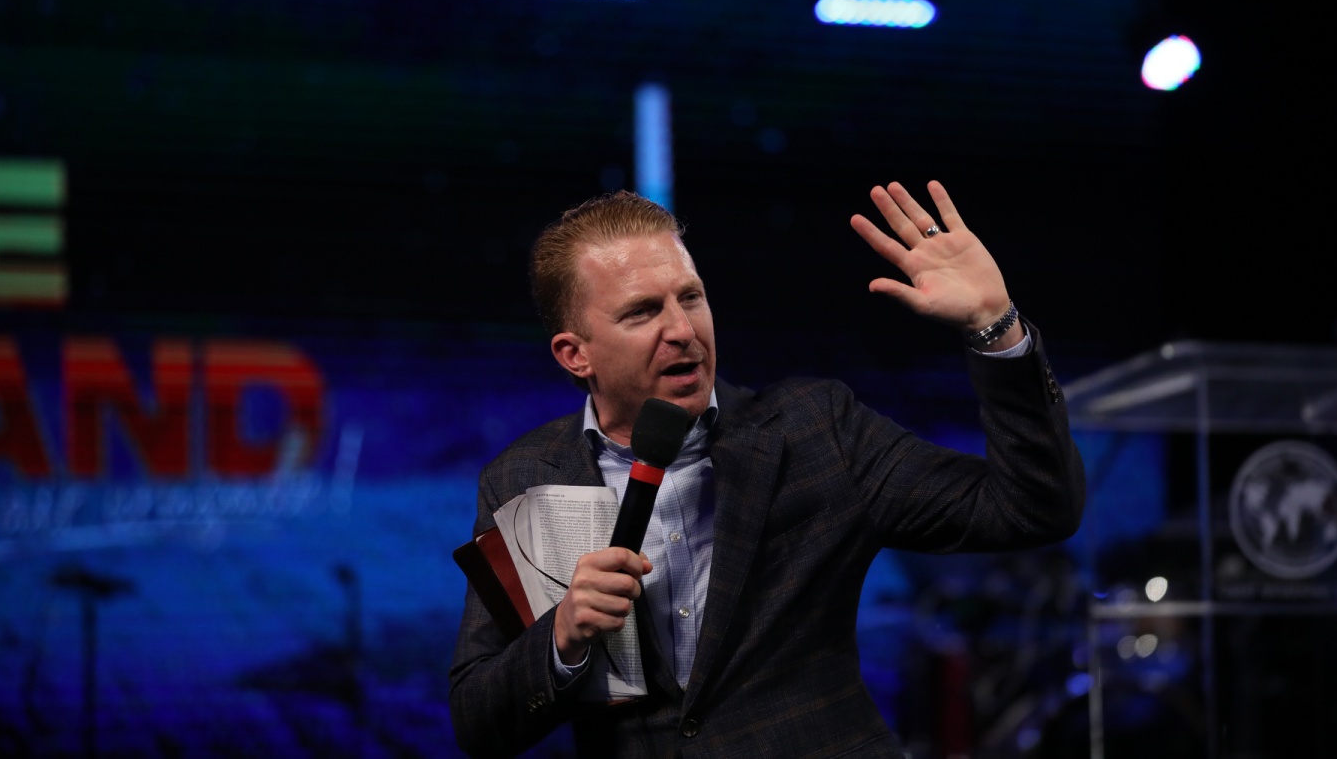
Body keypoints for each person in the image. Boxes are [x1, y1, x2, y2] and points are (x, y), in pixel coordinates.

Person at [449, 181, 1085, 758]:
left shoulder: (816, 430)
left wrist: (995, 327)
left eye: (691, 297)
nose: (682, 330)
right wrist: (561, 638)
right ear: (574, 354)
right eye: (642, 312)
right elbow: (478, 722)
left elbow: (1033, 507)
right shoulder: (525, 478)